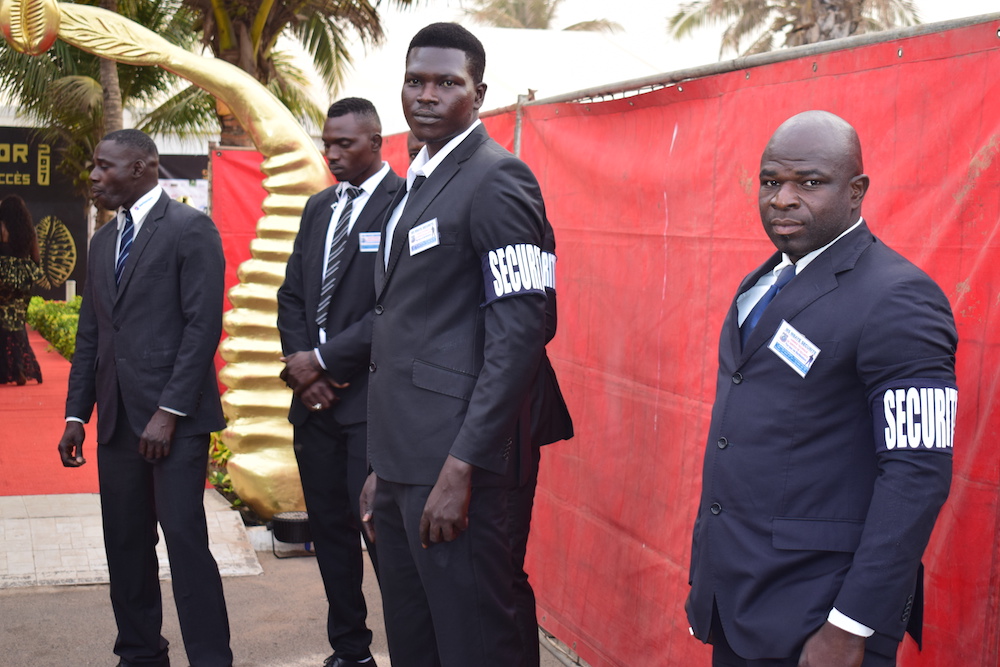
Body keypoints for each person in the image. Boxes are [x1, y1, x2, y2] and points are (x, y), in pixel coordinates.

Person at [686, 110, 958, 667]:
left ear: (856, 192)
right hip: (743, 602)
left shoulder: (900, 298)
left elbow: (917, 475)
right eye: (770, 182)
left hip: (822, 617)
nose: (782, 199)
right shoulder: (766, 280)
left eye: (809, 183)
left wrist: (851, 625)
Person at [356, 22, 565, 667]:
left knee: (476, 638)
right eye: (415, 81)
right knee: (416, 639)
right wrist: (383, 469)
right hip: (402, 460)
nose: (427, 95)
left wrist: (462, 467)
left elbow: (521, 332)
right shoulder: (414, 179)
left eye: (447, 83)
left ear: (477, 92)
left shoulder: (499, 179)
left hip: (459, 462)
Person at [57, 129, 232, 667]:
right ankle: (139, 652)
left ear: (142, 168)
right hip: (115, 423)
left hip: (174, 425)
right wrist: (74, 414)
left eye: (104, 166)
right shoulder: (103, 242)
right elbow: (93, 335)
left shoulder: (190, 229)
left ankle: (209, 658)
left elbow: (202, 328)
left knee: (184, 543)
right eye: (93, 165)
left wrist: (169, 412)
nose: (93, 176)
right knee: (126, 546)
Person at [276, 97, 403, 667]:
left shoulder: (406, 204)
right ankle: (351, 652)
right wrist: (305, 373)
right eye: (326, 143)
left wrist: (323, 361)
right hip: (316, 406)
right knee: (329, 534)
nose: (331, 154)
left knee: (382, 538)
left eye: (344, 144)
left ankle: (412, 651)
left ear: (376, 142)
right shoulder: (318, 207)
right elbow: (293, 296)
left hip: (372, 407)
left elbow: (395, 309)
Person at [0, 194, 43, 385]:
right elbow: (36, 258)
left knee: (2, 324)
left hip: (2, 279)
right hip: (23, 281)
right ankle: (20, 368)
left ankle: (6, 369)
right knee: (17, 323)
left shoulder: (2, 227)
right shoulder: (28, 230)